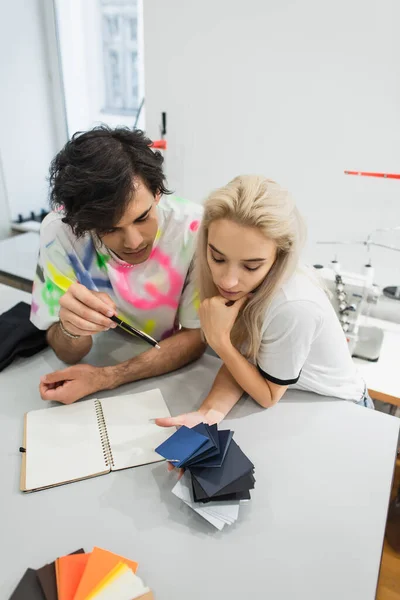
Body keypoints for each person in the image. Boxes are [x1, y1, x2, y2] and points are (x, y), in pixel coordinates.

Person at [156, 175, 372, 431]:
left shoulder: (293, 307)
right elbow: (244, 360)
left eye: (251, 266)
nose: (228, 281)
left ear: (279, 257)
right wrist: (207, 413)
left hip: (337, 408)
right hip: (291, 400)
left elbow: (268, 395)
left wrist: (220, 341)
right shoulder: (243, 287)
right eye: (218, 258)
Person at [31, 126, 205, 404]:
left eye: (142, 217)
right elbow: (67, 351)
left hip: (176, 382)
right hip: (99, 358)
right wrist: (71, 330)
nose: (133, 242)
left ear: (157, 191)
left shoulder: (193, 228)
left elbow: (196, 338)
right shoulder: (59, 232)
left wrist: (106, 377)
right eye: (109, 229)